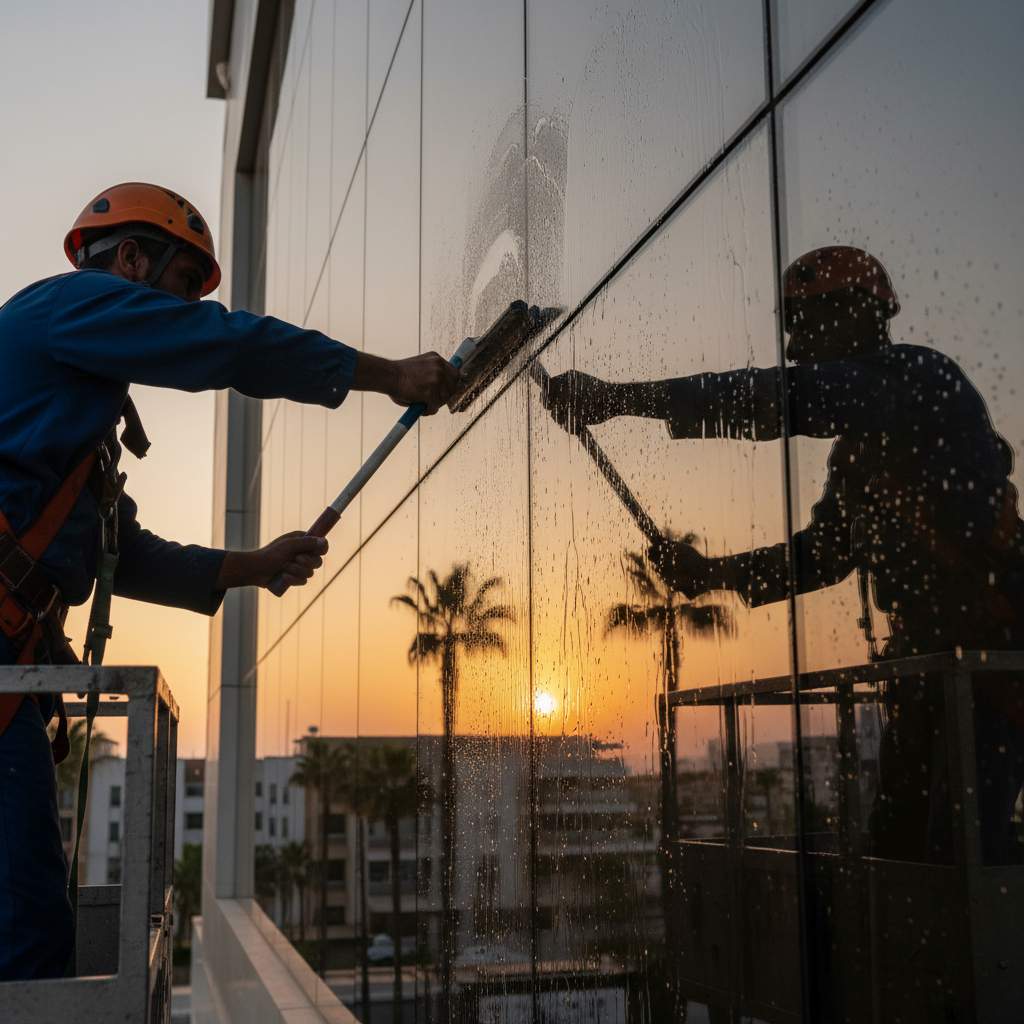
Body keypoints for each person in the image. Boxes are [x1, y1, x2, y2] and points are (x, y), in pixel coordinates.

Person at [0, 182, 460, 980]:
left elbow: (124, 551)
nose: (182, 313)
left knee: (30, 925)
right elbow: (229, 346)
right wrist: (389, 376)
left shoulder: (74, 406)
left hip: (12, 670)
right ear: (133, 258)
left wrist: (255, 567)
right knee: (28, 940)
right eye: (180, 289)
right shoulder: (68, 305)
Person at [542, 245, 1024, 863]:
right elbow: (821, 556)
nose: (794, 346)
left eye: (802, 324)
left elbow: (780, 395)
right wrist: (712, 573)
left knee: (962, 849)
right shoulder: (860, 454)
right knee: (903, 849)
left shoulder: (919, 379)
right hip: (938, 661)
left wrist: (619, 400)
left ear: (855, 316)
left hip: (995, 657)